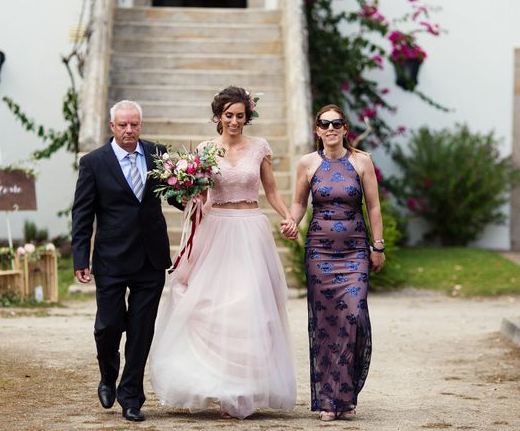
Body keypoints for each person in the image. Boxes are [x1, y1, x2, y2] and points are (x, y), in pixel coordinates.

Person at [149, 86, 298, 419]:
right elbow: (200, 193)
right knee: (212, 305)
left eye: (240, 116)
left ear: (248, 117)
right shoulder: (205, 150)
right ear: (219, 116)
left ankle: (243, 390)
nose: (234, 121)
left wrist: (288, 215)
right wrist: (190, 197)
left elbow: (271, 190)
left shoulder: (260, 147)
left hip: (250, 229)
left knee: (249, 304)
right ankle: (216, 383)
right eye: (229, 115)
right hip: (216, 230)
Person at [71, 100, 181, 423]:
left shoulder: (157, 154)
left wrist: (194, 192)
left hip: (151, 256)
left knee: (141, 329)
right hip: (111, 258)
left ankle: (131, 395)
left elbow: (173, 192)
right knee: (108, 326)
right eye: (123, 125)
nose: (129, 130)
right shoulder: (93, 163)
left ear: (141, 126)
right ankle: (108, 374)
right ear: (112, 127)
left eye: (134, 125)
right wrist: (80, 255)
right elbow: (82, 214)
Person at [286, 104, 385, 422]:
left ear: (345, 129)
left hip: (355, 252)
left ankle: (346, 392)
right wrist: (291, 222)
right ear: (317, 130)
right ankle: (331, 400)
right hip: (320, 255)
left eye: (336, 123)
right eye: (324, 124)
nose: (330, 128)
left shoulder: (361, 161)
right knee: (326, 326)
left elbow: (373, 206)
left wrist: (377, 246)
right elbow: (300, 202)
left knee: (354, 317)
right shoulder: (307, 163)